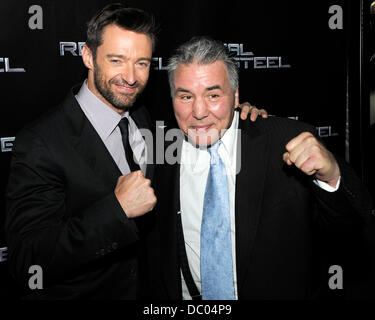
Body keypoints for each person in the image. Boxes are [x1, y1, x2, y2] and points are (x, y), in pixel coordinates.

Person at [5, 4, 263, 299]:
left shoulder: (144, 119)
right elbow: (26, 260)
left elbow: (203, 119)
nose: (130, 77)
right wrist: (116, 211)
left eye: (141, 63)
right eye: (117, 60)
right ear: (88, 56)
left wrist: (239, 118)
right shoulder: (42, 142)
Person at [144, 36, 373, 300]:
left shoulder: (285, 142)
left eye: (213, 95)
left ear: (236, 95)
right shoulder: (158, 152)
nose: (198, 111)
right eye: (185, 96)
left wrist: (332, 175)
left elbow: (354, 225)